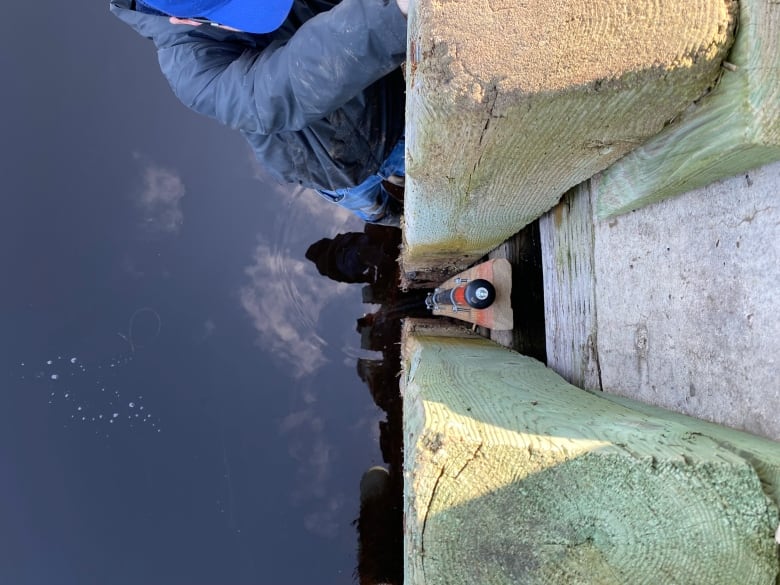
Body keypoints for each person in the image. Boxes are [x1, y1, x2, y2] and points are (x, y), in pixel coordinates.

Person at [110, 0, 408, 226]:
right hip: (335, 174)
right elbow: (275, 91)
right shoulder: (189, 68)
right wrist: (392, 14)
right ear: (181, 19)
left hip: (390, 114)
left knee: (427, 173)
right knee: (380, 212)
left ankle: (399, 189)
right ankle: (394, 218)